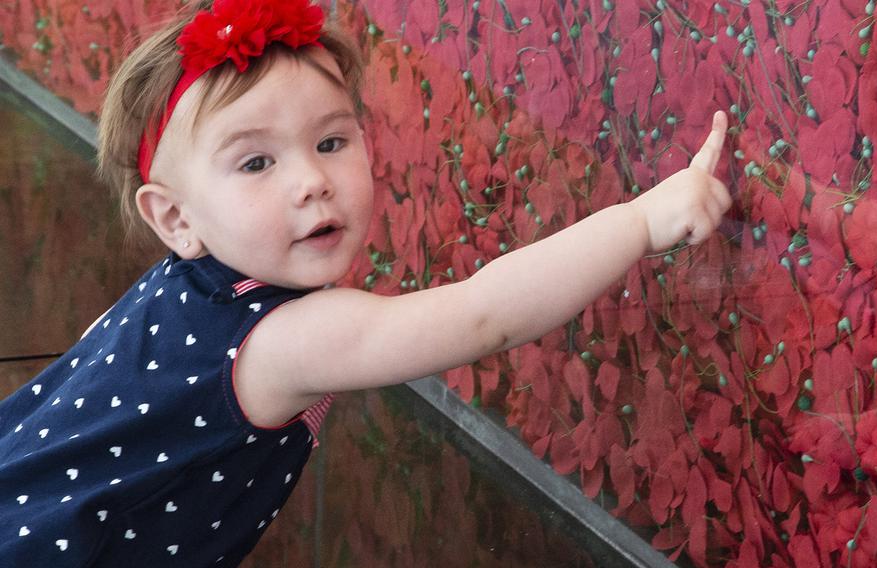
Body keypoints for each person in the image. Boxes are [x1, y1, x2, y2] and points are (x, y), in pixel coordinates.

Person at [0, 0, 731, 565]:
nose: (312, 181)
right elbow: (482, 316)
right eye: (256, 163)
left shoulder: (189, 283)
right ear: (175, 217)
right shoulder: (285, 340)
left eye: (331, 141)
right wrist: (640, 222)